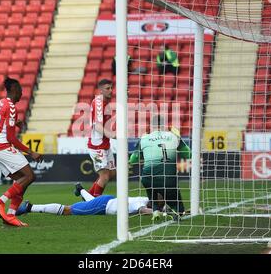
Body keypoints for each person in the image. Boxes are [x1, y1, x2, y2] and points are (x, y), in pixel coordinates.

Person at [0, 77, 42, 227]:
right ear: (14, 90)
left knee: (22, 181)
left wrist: (12, 123)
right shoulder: (11, 107)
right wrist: (31, 152)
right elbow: (11, 138)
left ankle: (11, 216)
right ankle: (1, 201)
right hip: (2, 146)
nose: (22, 94)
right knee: (30, 176)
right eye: (20, 91)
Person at [128, 115, 191, 216]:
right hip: (168, 179)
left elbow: (133, 160)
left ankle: (155, 208)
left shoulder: (144, 138)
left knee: (150, 182)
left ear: (151, 126)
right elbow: (189, 154)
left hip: (148, 179)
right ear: (165, 125)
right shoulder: (174, 136)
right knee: (176, 201)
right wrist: (179, 138)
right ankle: (177, 210)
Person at [15, 183, 159, 217]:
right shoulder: (141, 203)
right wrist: (157, 213)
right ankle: (30, 207)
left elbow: (157, 204)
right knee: (68, 210)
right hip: (102, 206)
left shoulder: (145, 198)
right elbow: (144, 210)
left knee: (89, 203)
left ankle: (80, 189)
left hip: (108, 200)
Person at [86, 79, 116, 197]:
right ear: (100, 90)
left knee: (112, 173)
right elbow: (98, 126)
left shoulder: (106, 102)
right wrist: (112, 135)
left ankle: (87, 195)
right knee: (104, 175)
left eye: (111, 88)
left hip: (105, 144)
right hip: (97, 145)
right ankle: (95, 201)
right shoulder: (98, 102)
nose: (111, 91)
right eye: (107, 88)